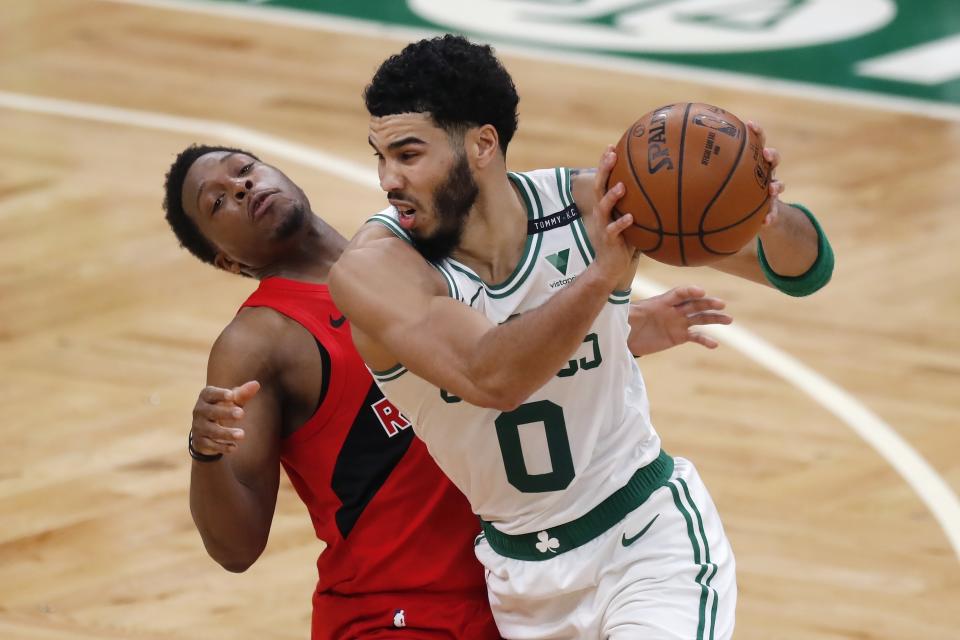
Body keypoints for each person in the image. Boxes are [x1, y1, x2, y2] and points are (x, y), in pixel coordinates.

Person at [328, 35, 834, 640]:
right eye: (379, 156)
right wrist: (602, 283)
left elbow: (803, 271)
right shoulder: (376, 269)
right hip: (521, 580)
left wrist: (759, 208)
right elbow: (492, 376)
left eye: (408, 155)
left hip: (647, 541)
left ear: (483, 145)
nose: (388, 178)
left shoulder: (591, 204)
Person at [162, 143, 734, 639]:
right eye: (218, 202)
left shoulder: (414, 253)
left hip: (515, 592)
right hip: (393, 613)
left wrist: (620, 326)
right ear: (225, 260)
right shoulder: (259, 339)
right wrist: (205, 450)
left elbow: (498, 357)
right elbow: (235, 548)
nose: (242, 188)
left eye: (244, 170)